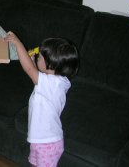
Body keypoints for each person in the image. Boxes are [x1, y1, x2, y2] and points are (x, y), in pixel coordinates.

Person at [5, 32, 78, 167]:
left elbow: (29, 69)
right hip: (40, 139)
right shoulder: (53, 82)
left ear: (52, 64)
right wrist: (33, 62)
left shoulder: (54, 84)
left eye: (40, 58)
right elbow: (38, 83)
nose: (38, 58)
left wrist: (18, 43)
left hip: (47, 142)